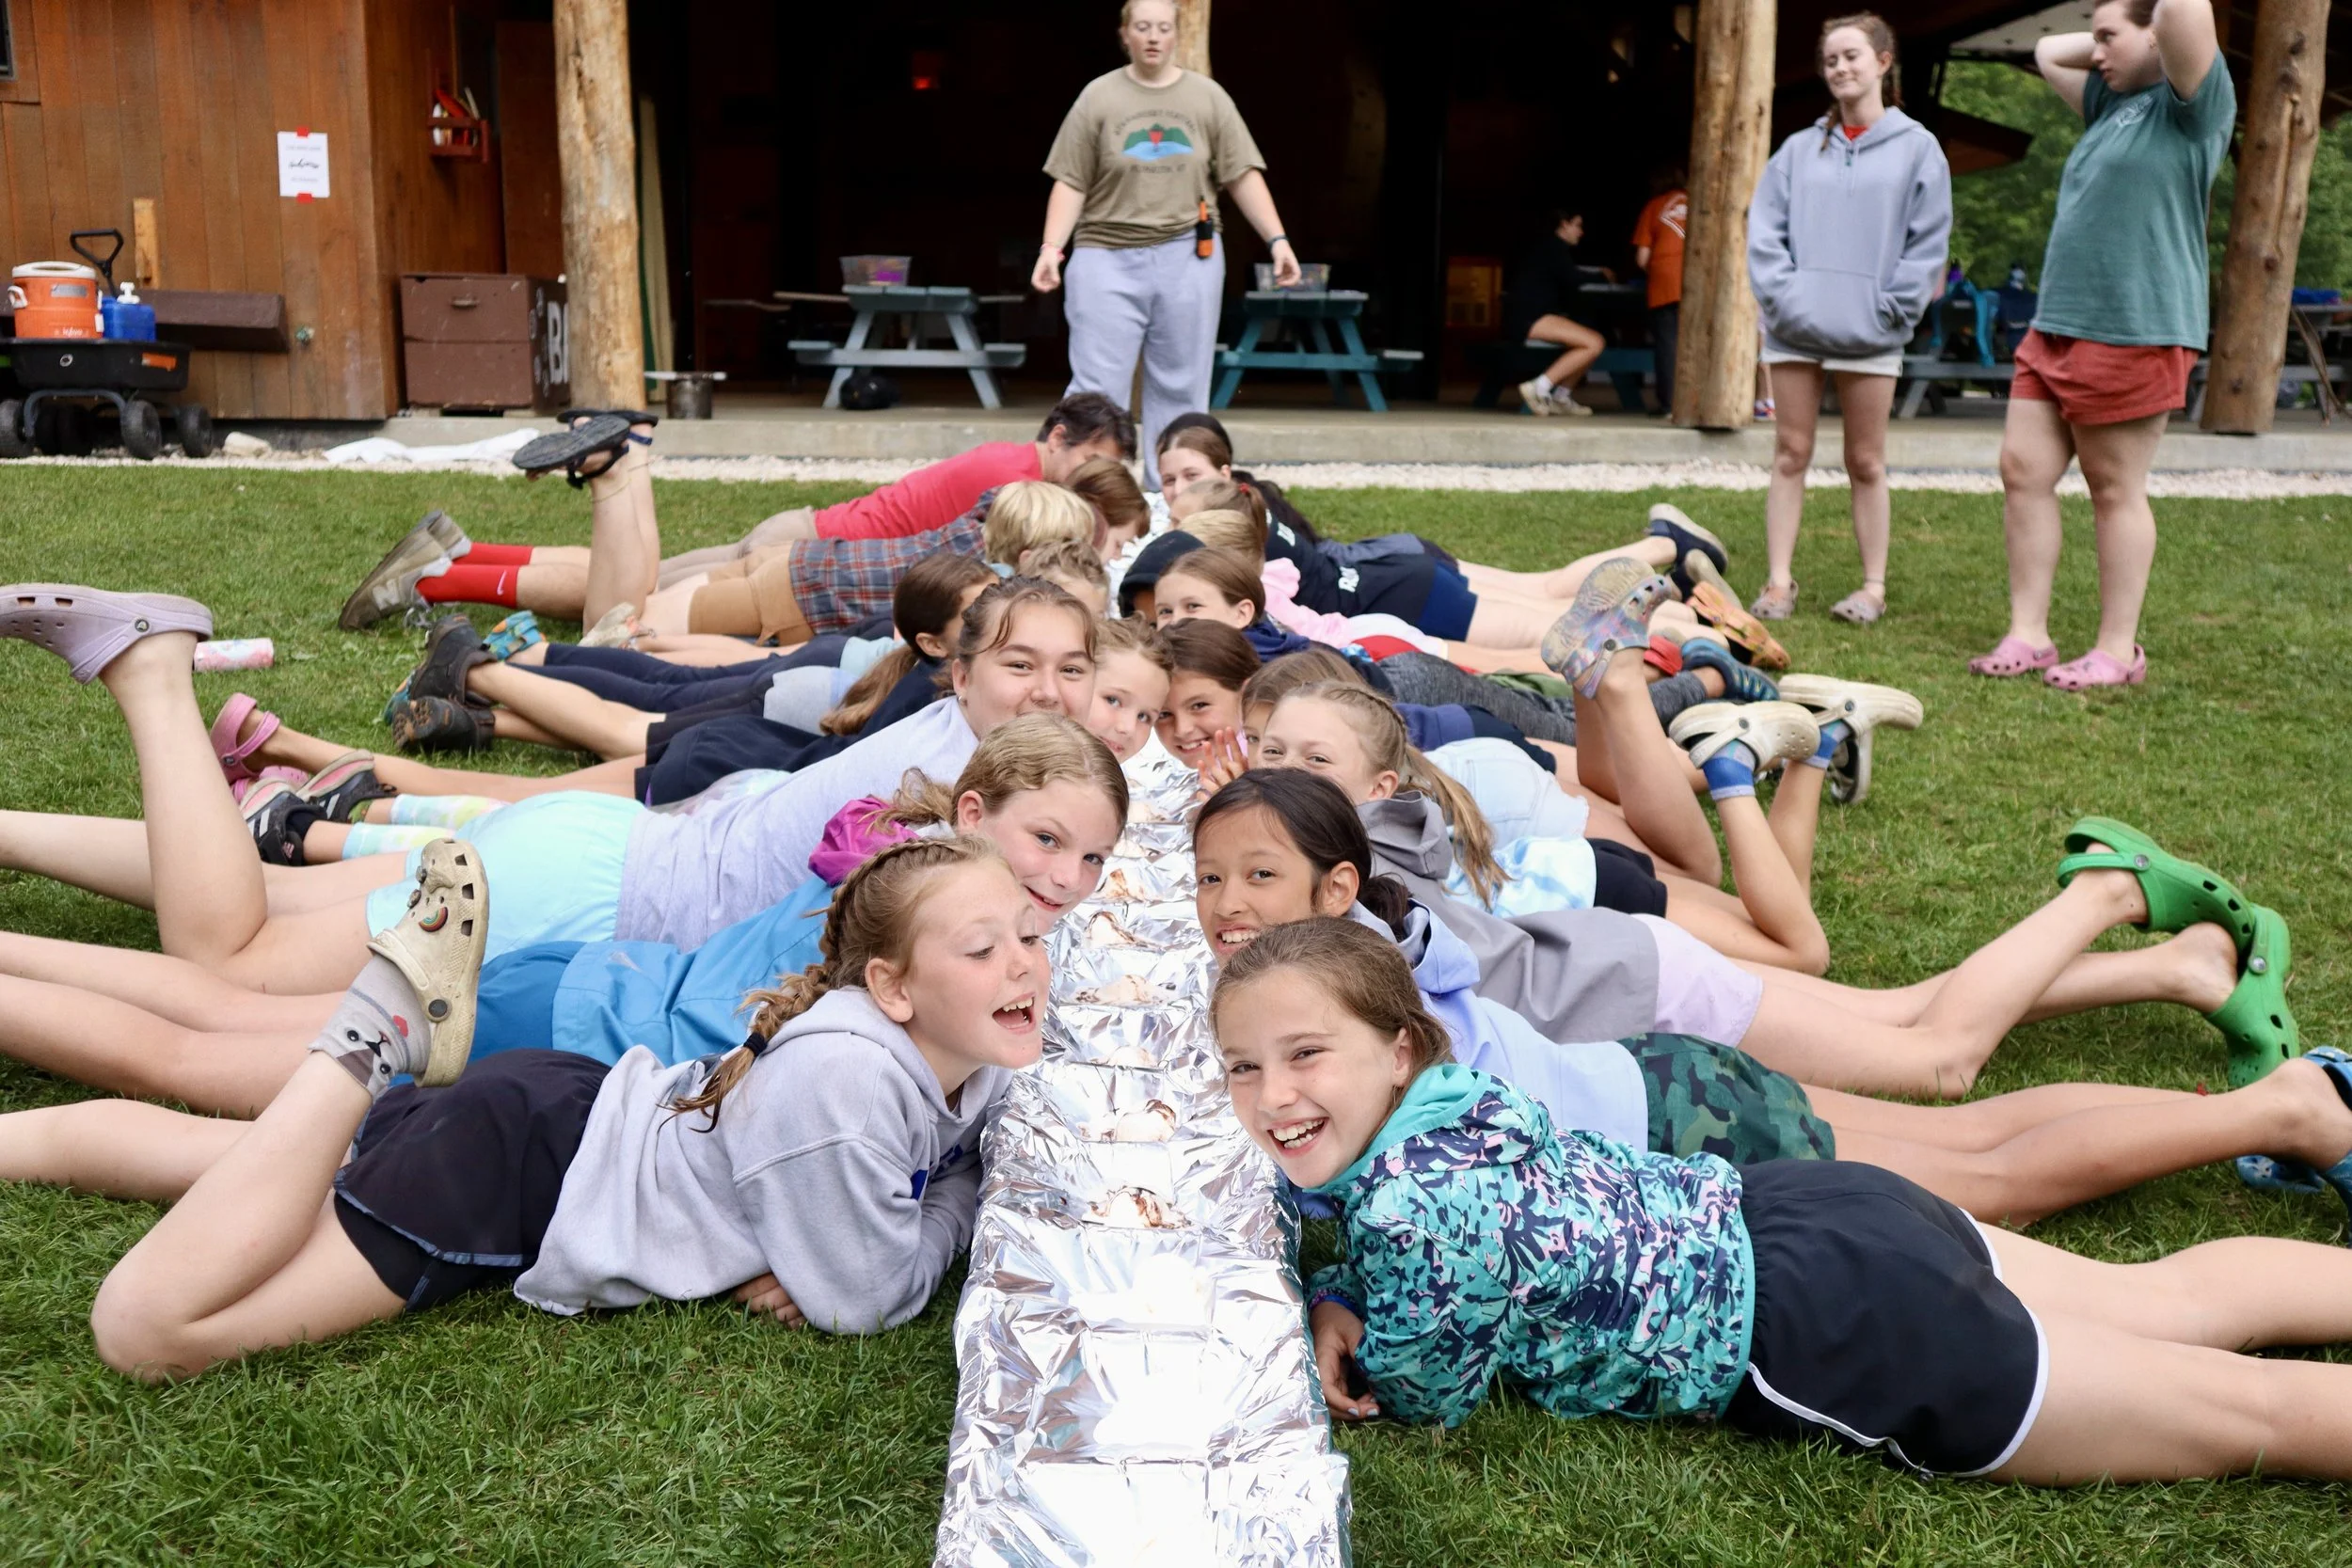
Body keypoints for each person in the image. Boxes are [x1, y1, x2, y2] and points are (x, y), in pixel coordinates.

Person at [1220, 919, 2352, 1489]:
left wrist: (1332, 1298)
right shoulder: (1459, 1097)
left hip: (1822, 1323)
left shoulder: (1411, 1212)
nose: (1274, 1096)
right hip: (1812, 1208)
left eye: (1306, 1052)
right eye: (1241, 1067)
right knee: (2168, 1297)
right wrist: (1347, 1279)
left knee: (2240, 1412)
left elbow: (1421, 1386)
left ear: (1400, 1045)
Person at [0, 833, 1044, 1380]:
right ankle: (371, 1033)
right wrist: (936, 1220)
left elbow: (937, 1177)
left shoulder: (961, 1052)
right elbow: (865, 1295)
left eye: (1030, 937)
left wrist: (923, 1202)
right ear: (892, 986)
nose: (1023, 968)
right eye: (982, 947)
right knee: (149, 1327)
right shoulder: (850, 1081)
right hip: (506, 1181)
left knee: (246, 1164)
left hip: (549, 1111)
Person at [1194, 771, 2352, 1230]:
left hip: (1667, 1109)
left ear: (1337, 884)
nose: (1226, 903)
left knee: (1976, 1150)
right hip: (1654, 1080)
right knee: (1962, 1117)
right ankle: (2243, 1054)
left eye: (1256, 876)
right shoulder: (1337, 953)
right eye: (1206, 878)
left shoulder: (1357, 967)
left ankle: (2279, 1110)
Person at [0, 577, 1098, 992]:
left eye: (1070, 668)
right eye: (1019, 663)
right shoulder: (992, 797)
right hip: (580, 895)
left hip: (598, 850)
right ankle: (151, 669)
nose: (1046, 688)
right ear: (960, 668)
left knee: (268, 898)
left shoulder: (970, 735)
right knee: (226, 953)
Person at [0, 718, 1127, 1120]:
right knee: (202, 1046)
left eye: (1092, 859)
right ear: (976, 811)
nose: (1067, 879)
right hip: (561, 1021)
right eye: (1046, 842)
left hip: (574, 969)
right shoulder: (937, 918)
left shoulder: (916, 857)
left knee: (221, 998)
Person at [336, 394, 1135, 629]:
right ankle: (444, 579)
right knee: (627, 603)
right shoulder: (1019, 483)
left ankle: (455, 560)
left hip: (809, 537)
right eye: (1096, 460)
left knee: (628, 580)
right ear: (1061, 440)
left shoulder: (1015, 474)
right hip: (808, 544)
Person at [1969, 0, 2230, 690]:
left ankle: (2118, 649)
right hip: (2057, 323)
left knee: (2113, 488)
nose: (2096, 52)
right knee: (2022, 470)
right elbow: (2050, 51)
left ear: (2159, 38)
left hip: (2134, 326)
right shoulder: (2112, 105)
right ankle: (2030, 633)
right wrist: (2116, 37)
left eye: (2110, 38)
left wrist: (2144, 34)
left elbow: (2182, 10)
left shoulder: (2191, 105)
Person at [1033, 0, 1301, 483]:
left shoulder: (1208, 98)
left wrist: (1277, 240)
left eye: (1163, 27)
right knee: (1097, 390)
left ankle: (1168, 500)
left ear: (1177, 34)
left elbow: (1242, 174)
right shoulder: (1098, 97)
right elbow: (1070, 181)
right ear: (1124, 35)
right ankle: (1088, 497)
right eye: (1142, 27)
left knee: (1181, 386)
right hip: (1104, 255)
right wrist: (1051, 249)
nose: (1153, 37)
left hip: (1188, 255)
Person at [1746, 12, 1952, 626]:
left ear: (1883, 63)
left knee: (1867, 460)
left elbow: (1927, 244)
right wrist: (1786, 301)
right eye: (1831, 58)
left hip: (1872, 332)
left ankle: (1872, 587)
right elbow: (1765, 233)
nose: (1840, 67)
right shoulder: (1797, 150)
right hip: (1794, 330)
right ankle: (1779, 582)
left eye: (1852, 56)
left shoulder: (1918, 149)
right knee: (1790, 451)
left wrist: (1891, 310)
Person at [1502, 209, 1612, 418]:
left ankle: (1562, 397)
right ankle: (1539, 387)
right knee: (1594, 343)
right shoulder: (1552, 247)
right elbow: (1572, 278)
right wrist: (1602, 276)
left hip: (1531, 315)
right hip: (1529, 318)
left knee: (1592, 341)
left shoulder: (1547, 247)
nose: (1581, 232)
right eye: (1578, 225)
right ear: (1564, 224)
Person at [1630, 166, 1689, 416]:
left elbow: (1642, 258)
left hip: (1664, 281)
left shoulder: (1654, 206)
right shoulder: (1701, 203)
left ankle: (1669, 404)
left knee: (1668, 343)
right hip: (1700, 280)